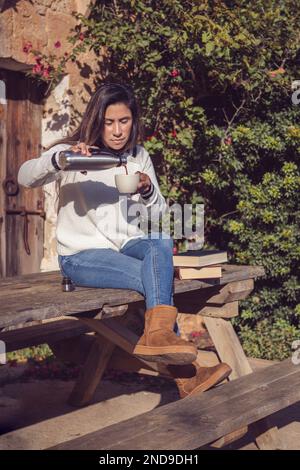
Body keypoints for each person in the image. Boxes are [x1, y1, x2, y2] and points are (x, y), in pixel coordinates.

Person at [18, 83, 231, 396]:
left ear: (134, 121)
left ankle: (158, 338)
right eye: (109, 122)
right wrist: (59, 159)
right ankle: (187, 374)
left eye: (124, 121)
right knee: (151, 277)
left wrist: (146, 188)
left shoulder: (138, 156)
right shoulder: (73, 153)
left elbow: (158, 213)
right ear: (96, 121)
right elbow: (24, 177)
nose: (117, 130)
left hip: (127, 245)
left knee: (159, 241)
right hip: (82, 256)